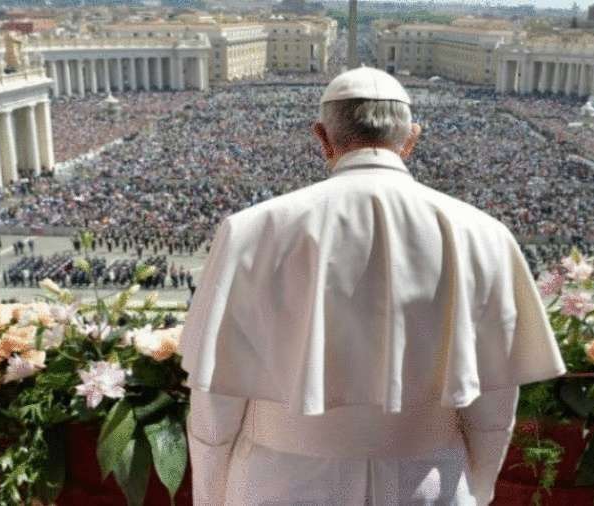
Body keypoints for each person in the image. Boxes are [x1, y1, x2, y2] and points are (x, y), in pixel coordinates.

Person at [179, 67, 567, 505]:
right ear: (411, 139)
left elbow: (216, 403)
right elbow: (494, 407)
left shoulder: (250, 230)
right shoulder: (485, 234)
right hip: (429, 481)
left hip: (279, 482)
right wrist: (476, 487)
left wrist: (211, 494)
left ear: (322, 138)